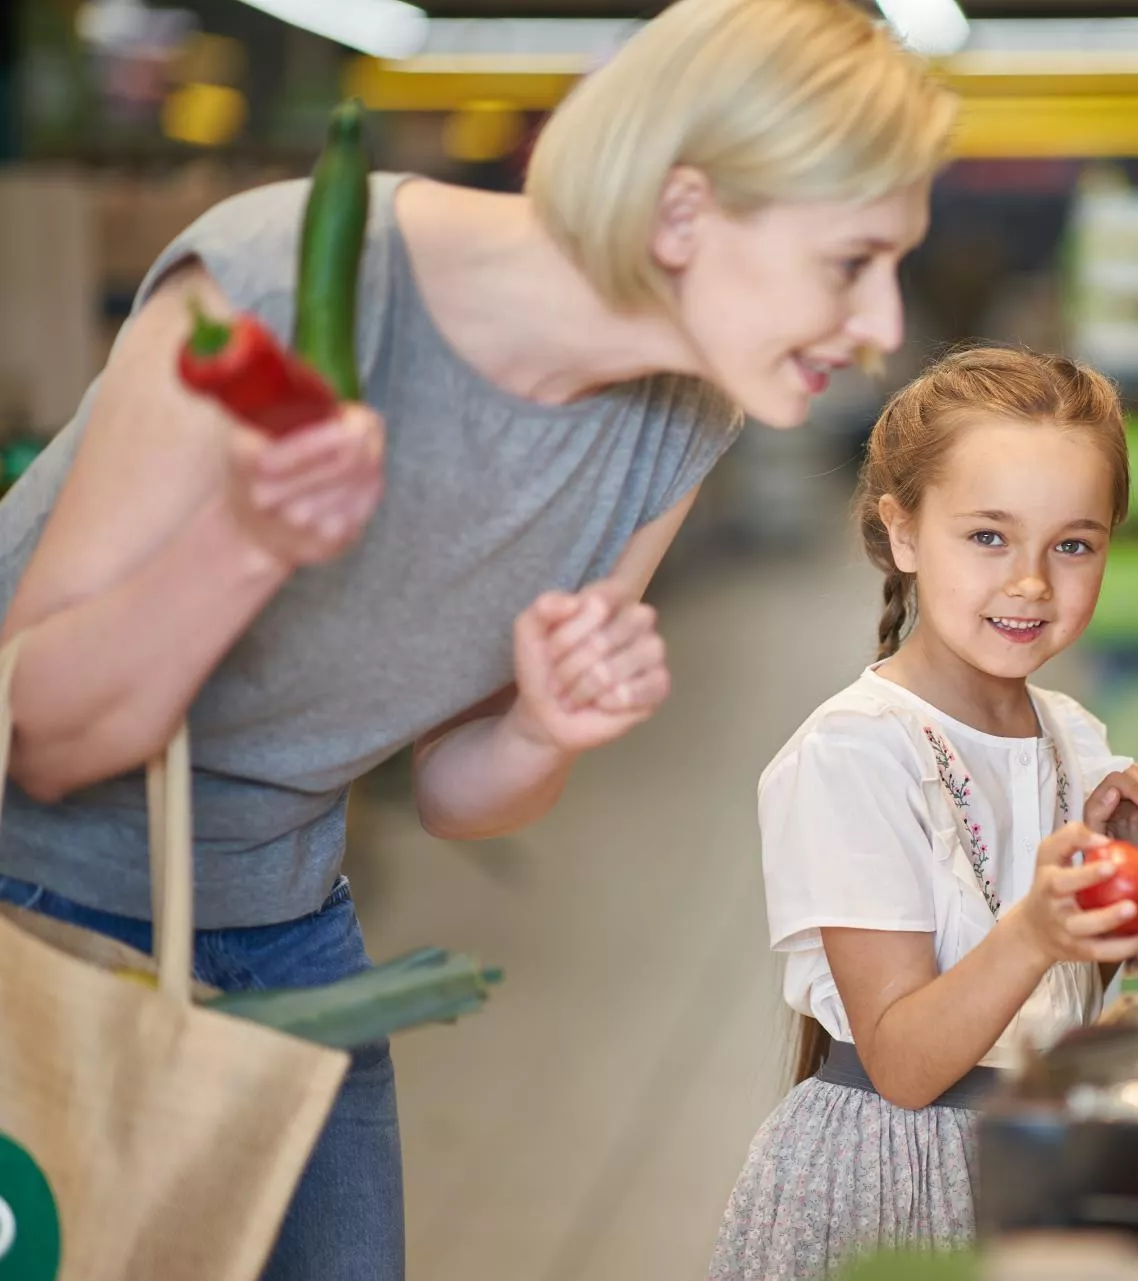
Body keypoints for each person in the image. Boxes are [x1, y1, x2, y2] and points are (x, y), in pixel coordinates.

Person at [0, 1, 954, 1277]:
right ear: (681, 217)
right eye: (852, 262)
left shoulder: (683, 416)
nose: (886, 324)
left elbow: (457, 794)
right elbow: (45, 743)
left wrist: (541, 728)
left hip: (282, 921)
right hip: (32, 913)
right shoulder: (292, 282)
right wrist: (250, 538)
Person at [709, 346, 1138, 1280]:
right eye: (989, 537)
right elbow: (905, 1065)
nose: (1033, 581)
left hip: (1040, 1165)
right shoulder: (857, 754)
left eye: (1073, 544)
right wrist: (1037, 929)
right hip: (897, 1186)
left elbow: (1074, 1005)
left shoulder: (1073, 737)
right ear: (904, 532)